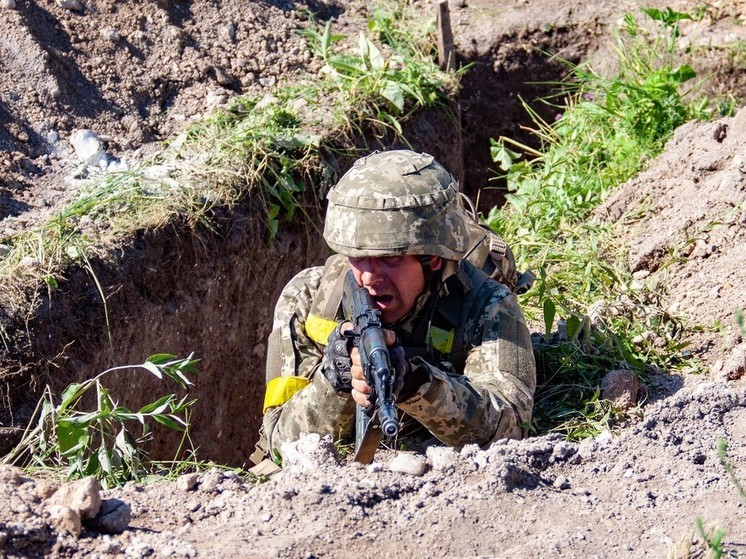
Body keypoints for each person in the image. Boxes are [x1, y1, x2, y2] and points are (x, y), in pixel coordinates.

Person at [253, 149, 536, 464]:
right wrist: (335, 381)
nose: (370, 277)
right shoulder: (308, 298)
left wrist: (420, 385)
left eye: (390, 259)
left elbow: (511, 425)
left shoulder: (488, 304)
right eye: (358, 258)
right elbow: (278, 440)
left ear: (431, 258)